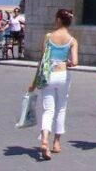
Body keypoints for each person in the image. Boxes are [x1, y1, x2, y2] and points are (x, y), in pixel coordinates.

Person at [27, 8, 78, 161]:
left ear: (58, 20)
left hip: (48, 74)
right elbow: (75, 62)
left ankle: (44, 141)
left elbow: (42, 61)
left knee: (48, 109)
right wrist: (67, 62)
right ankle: (56, 143)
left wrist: (34, 83)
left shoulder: (48, 37)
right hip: (63, 75)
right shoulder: (72, 40)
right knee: (61, 108)